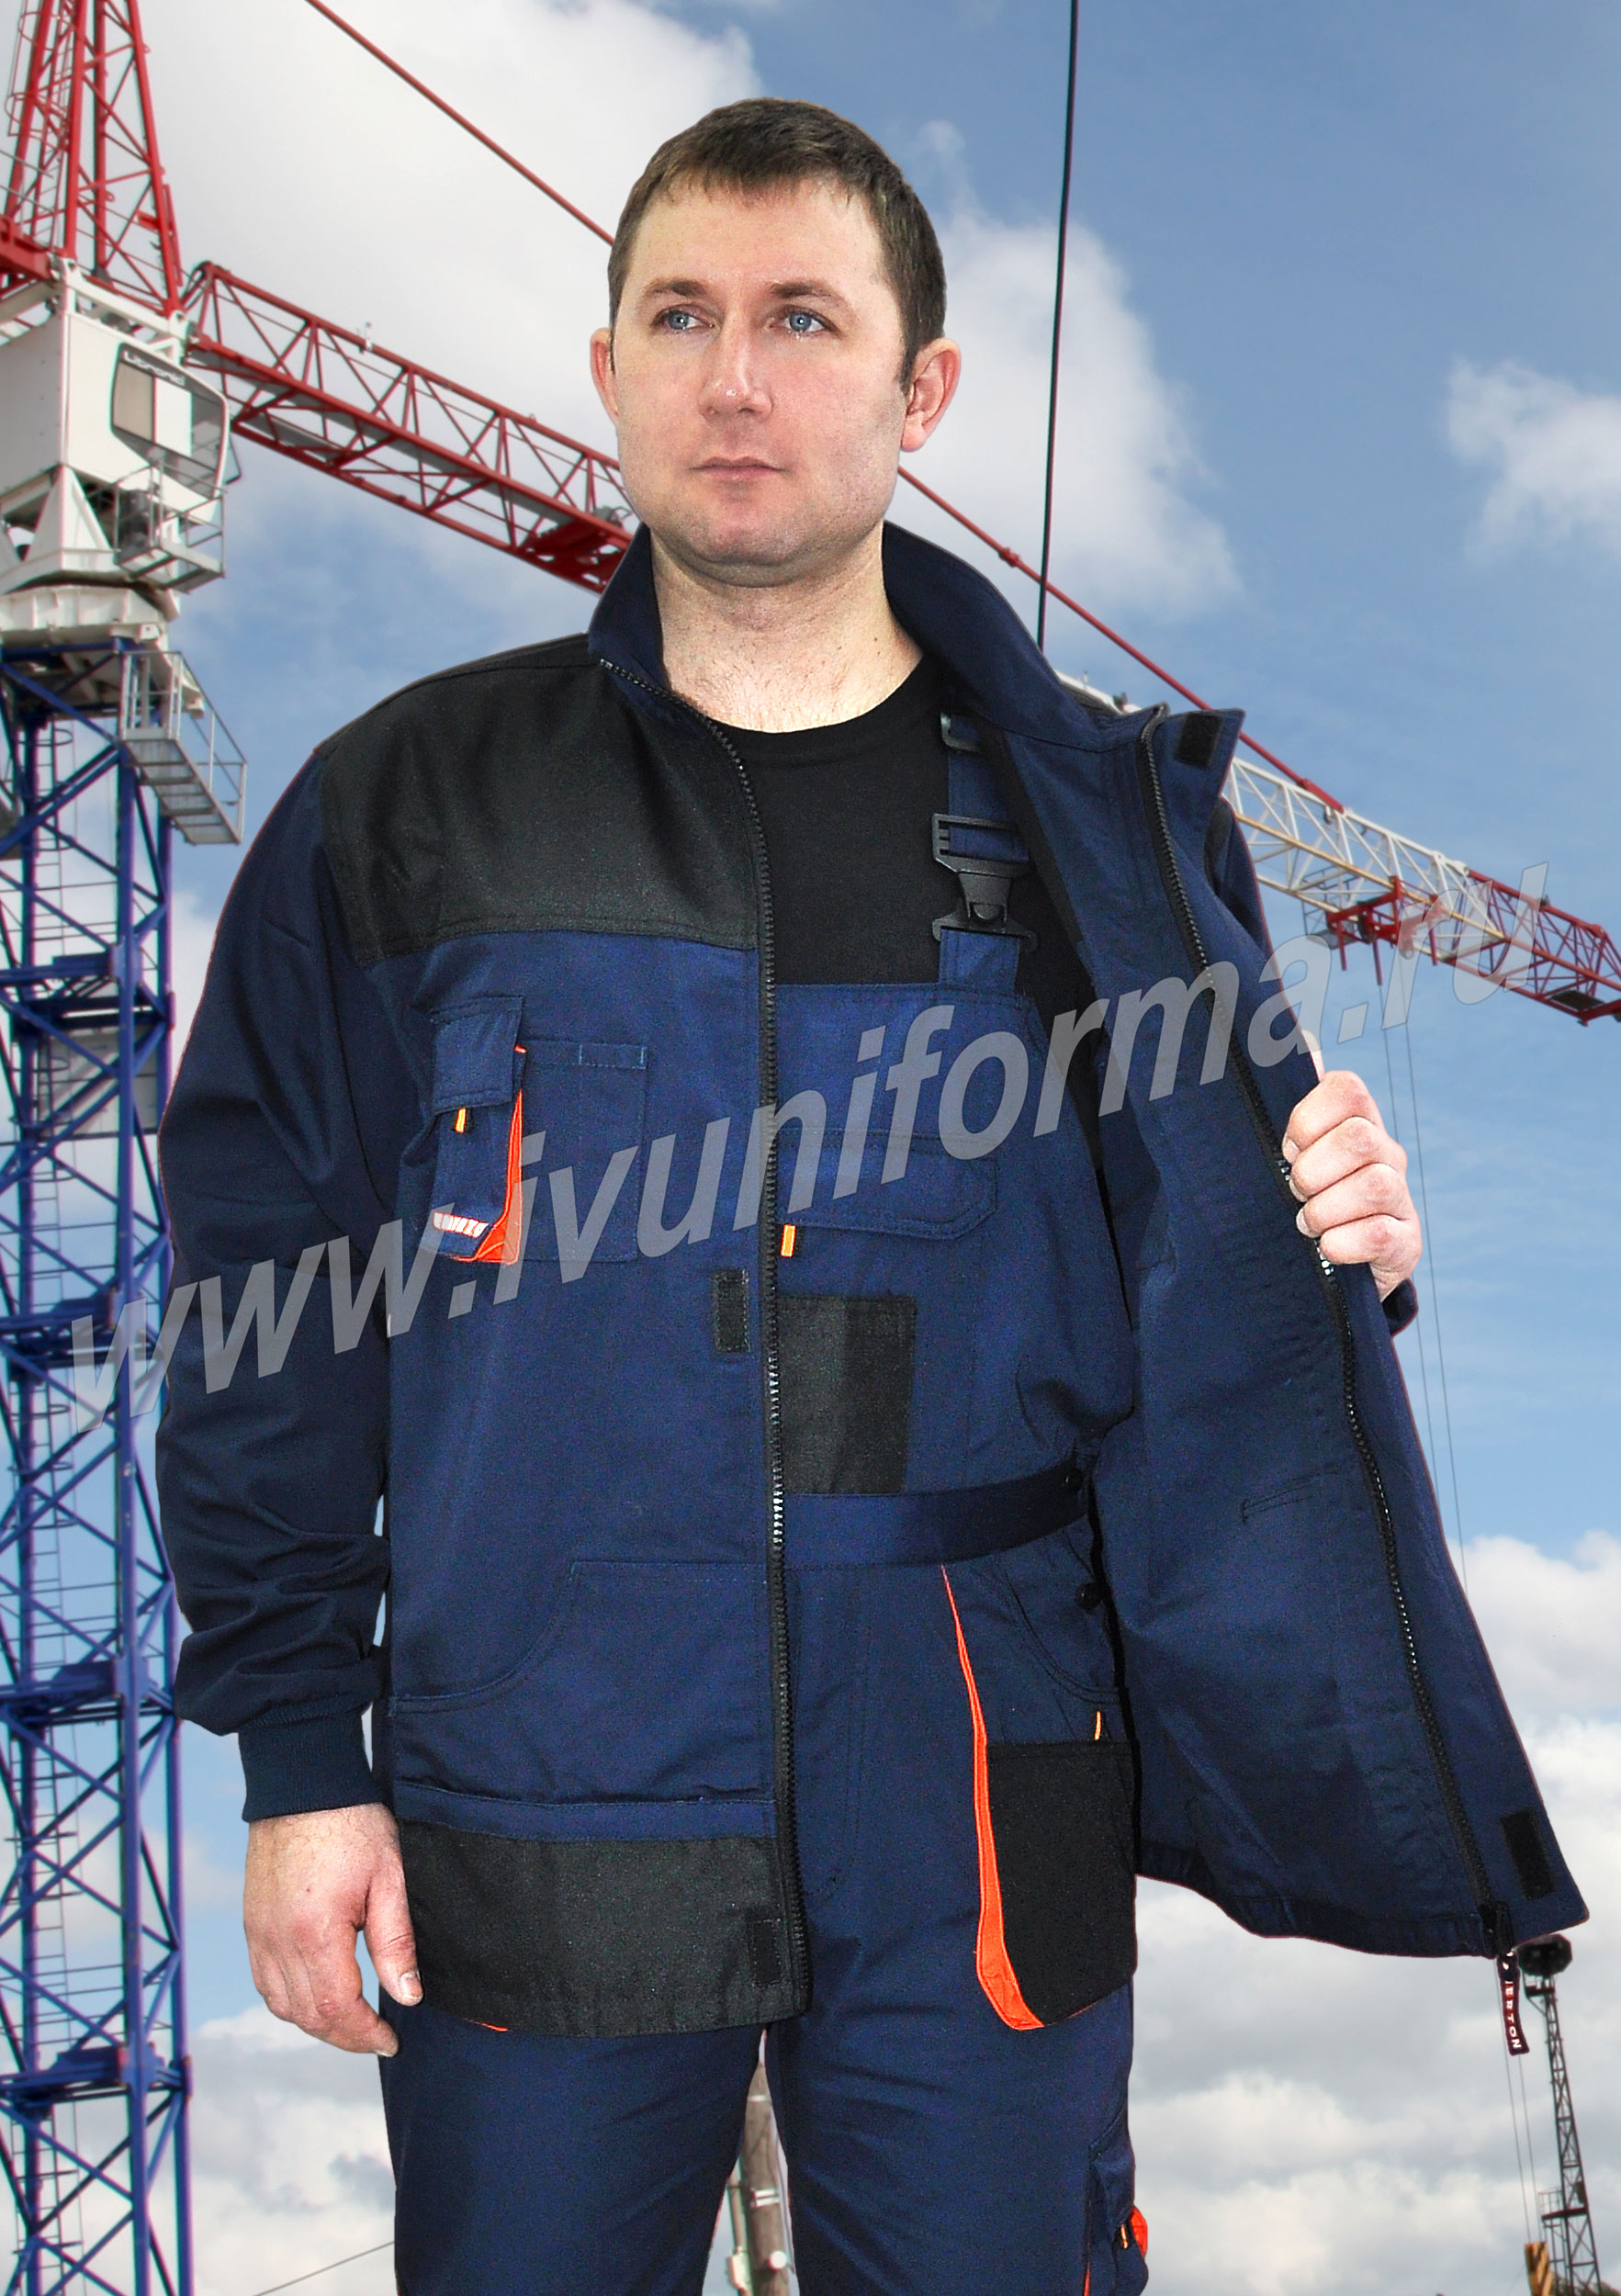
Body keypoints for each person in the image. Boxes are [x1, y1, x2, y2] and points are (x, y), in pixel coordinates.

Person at [157, 96, 1582, 2296]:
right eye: (682, 317)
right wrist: (292, 1756)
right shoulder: (406, 810)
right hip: (536, 1758)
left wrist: (1335, 1247)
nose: (737, 378)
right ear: (606, 368)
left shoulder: (1113, 830)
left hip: (978, 1769)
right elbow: (261, 1308)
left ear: (921, 389)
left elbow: (1195, 1259)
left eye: (803, 319)